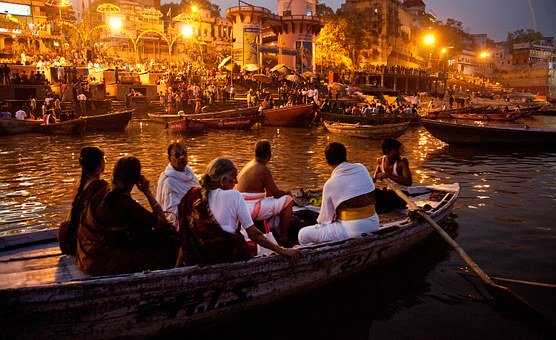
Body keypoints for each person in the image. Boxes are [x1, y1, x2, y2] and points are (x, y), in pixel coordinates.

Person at [176, 157, 299, 265]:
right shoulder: (234, 196)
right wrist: (283, 251)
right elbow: (254, 234)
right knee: (262, 246)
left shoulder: (193, 195)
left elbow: (185, 235)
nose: (236, 182)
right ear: (223, 180)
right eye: (233, 177)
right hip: (226, 256)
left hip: (199, 255)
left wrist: (177, 267)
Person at [76, 156, 178, 275]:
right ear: (136, 179)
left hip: (86, 256)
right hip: (101, 263)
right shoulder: (125, 204)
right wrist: (147, 192)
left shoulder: (100, 192)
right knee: (170, 238)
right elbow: (163, 223)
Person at [298, 142, 380, 245]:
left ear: (327, 161)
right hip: (374, 224)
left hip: (352, 230)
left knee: (302, 234)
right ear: (345, 155)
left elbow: (325, 219)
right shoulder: (361, 168)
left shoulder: (330, 184)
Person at [237, 141, 294, 245]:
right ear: (269, 155)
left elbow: (269, 192)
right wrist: (287, 193)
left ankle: (272, 228)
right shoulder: (262, 169)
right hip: (251, 208)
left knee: (275, 199)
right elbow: (276, 193)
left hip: (242, 205)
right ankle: (284, 236)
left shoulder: (249, 164)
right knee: (288, 200)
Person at [59, 147, 109, 255]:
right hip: (84, 244)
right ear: (100, 164)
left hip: (73, 242)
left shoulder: (81, 186)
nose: (105, 162)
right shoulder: (100, 187)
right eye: (104, 159)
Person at [156, 142, 200, 229]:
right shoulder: (169, 181)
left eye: (184, 154)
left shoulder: (189, 172)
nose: (182, 157)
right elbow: (170, 214)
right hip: (182, 225)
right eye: (177, 155)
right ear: (170, 158)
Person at [372, 138, 412, 214]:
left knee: (381, 198)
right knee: (372, 193)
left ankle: (384, 208)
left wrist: (388, 175)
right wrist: (377, 177)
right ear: (388, 151)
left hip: (402, 196)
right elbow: (375, 178)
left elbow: (408, 182)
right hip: (389, 192)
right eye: (397, 150)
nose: (400, 152)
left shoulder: (402, 162)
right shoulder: (380, 161)